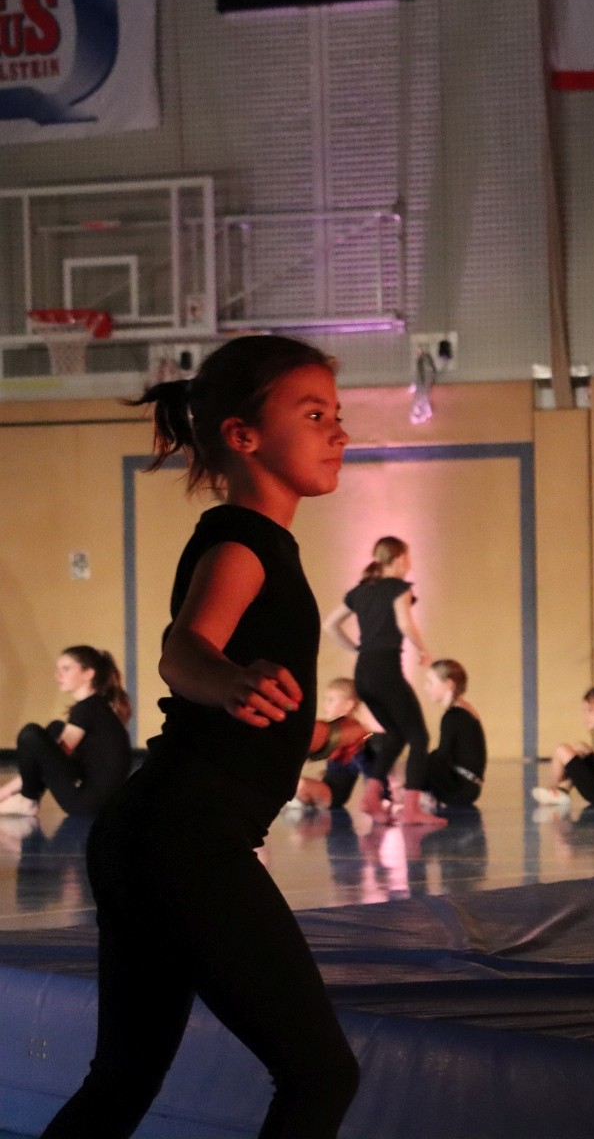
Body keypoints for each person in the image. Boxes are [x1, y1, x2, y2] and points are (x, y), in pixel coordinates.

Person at [43, 335, 360, 1137]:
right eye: (314, 414)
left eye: (337, 413)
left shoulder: (265, 544)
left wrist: (323, 733)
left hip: (150, 836)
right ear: (242, 435)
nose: (339, 430)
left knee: (121, 1083)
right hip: (185, 839)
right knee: (320, 1074)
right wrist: (228, 681)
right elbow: (184, 652)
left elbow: (245, 711)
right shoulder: (241, 543)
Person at [323, 536, 443, 827]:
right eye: (408, 558)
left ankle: (371, 798)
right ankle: (411, 808)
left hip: (363, 673)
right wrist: (423, 650)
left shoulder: (361, 591)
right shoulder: (399, 588)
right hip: (386, 671)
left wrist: (356, 648)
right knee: (419, 737)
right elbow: (404, 623)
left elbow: (329, 625)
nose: (409, 564)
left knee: (396, 735)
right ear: (400, 558)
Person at [0, 646, 133, 818]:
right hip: (98, 802)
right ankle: (28, 798)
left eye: (66, 669)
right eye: (58, 669)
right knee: (55, 728)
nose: (58, 675)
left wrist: (5, 792)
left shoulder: (86, 709)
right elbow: (56, 757)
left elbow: (54, 758)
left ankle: (27, 799)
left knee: (30, 734)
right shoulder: (96, 705)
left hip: (87, 803)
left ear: (88, 674)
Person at [290, 678, 380, 812]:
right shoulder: (339, 734)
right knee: (293, 782)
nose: (325, 705)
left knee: (296, 783)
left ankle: (299, 801)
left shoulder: (356, 737)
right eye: (326, 699)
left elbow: (368, 768)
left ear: (348, 705)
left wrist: (375, 797)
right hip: (328, 788)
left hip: (334, 795)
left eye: (331, 700)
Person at [420, 658, 485, 810]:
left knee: (420, 761)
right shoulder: (464, 710)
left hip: (460, 789)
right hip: (471, 786)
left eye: (430, 682)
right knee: (426, 759)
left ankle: (413, 798)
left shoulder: (453, 716)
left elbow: (442, 757)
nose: (426, 688)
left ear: (449, 684)